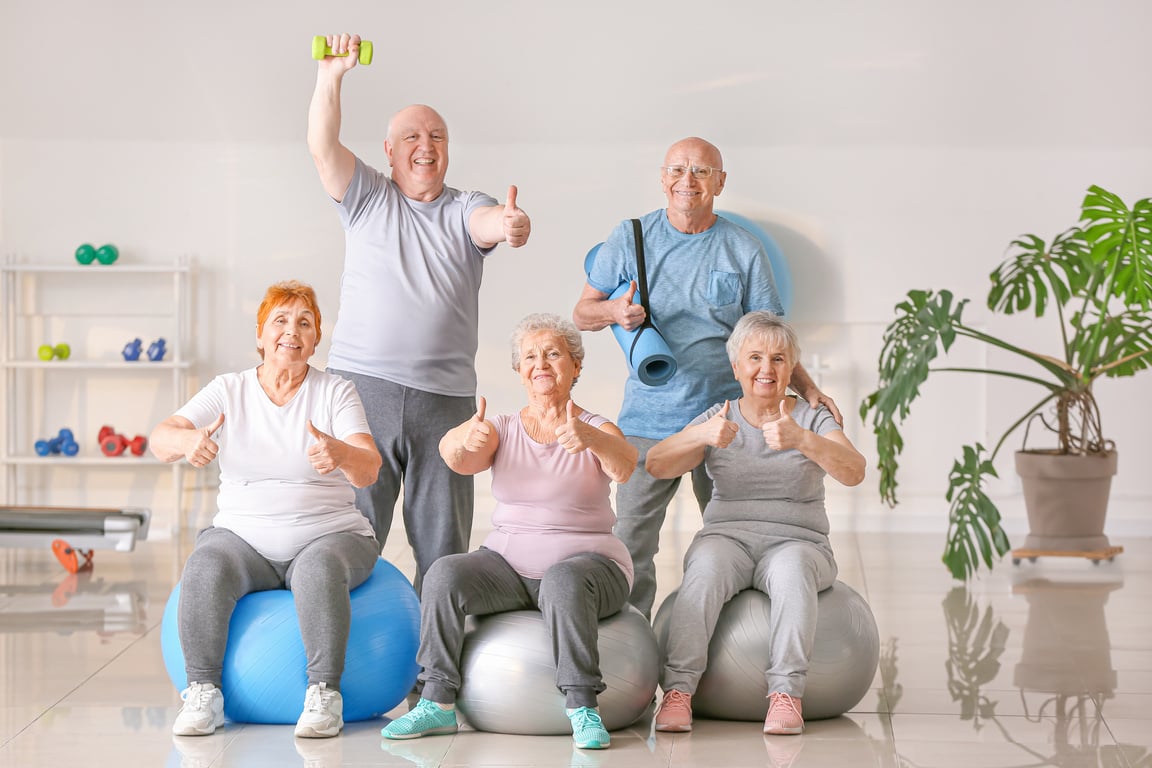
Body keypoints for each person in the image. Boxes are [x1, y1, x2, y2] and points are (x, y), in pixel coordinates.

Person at [573, 136, 842, 619]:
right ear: (662, 178)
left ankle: (721, 656)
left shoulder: (742, 248)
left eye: (701, 171)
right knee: (630, 544)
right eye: (677, 169)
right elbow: (582, 313)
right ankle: (628, 654)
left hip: (725, 423)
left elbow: (770, 339)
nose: (687, 181)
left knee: (732, 538)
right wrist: (615, 310)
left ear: (720, 181)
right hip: (647, 421)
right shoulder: (630, 236)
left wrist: (808, 388)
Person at [307, 33, 531, 590]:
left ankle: (438, 675)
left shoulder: (465, 207)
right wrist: (331, 75)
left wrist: (507, 224)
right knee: (351, 536)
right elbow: (321, 144)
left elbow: (487, 224)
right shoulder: (367, 197)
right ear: (389, 150)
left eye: (436, 136)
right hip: (363, 392)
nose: (424, 145)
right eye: (411, 136)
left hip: (446, 403)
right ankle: (343, 665)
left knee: (442, 551)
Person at [380, 313, 638, 750]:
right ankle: (437, 701)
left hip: (592, 568)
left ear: (575, 366)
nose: (541, 363)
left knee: (562, 579)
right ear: (519, 370)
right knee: (443, 573)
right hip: (508, 567)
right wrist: (465, 440)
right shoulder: (500, 427)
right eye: (530, 356)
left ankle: (582, 707)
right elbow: (456, 457)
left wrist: (592, 440)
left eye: (553, 354)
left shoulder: (596, 426)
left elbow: (626, 466)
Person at [151, 280, 383, 740]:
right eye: (280, 320)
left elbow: (369, 468)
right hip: (243, 537)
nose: (291, 332)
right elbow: (161, 438)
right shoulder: (229, 389)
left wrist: (340, 452)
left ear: (316, 338)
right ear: (260, 334)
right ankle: (203, 693)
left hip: (330, 534)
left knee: (317, 570)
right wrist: (189, 440)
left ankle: (324, 695)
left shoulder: (336, 392)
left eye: (304, 323)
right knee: (204, 565)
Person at [645, 312, 865, 735]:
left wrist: (803, 440)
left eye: (779, 359)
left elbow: (854, 471)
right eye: (756, 358)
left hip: (799, 541)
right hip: (728, 537)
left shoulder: (812, 418)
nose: (767, 369)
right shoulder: (720, 414)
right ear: (736, 367)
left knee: (792, 571)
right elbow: (656, 464)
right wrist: (701, 436)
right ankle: (678, 692)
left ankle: (786, 694)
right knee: (704, 569)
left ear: (791, 368)